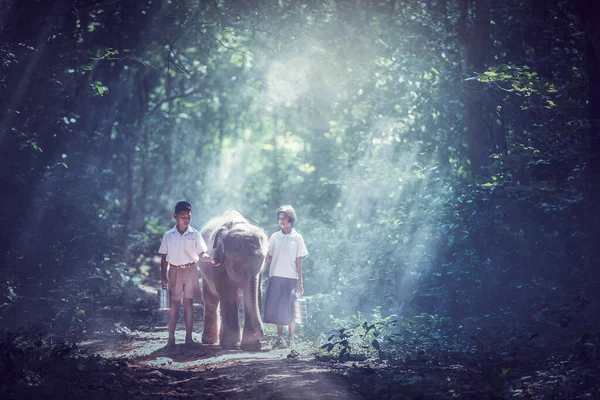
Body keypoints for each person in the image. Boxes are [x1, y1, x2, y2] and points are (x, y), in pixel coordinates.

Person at [158, 201, 215, 349]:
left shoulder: (195, 234)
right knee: (174, 306)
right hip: (175, 271)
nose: (186, 219)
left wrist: (209, 258)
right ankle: (171, 338)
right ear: (175, 216)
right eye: (183, 216)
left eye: (188, 216)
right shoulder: (168, 236)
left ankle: (189, 338)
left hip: (190, 270)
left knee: (188, 305)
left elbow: (202, 253)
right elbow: (164, 258)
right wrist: (163, 276)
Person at [263, 205, 309, 347]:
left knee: (290, 308)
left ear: (290, 219)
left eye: (284, 218)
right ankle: (279, 338)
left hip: (291, 278)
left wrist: (299, 282)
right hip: (276, 276)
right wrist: (262, 253)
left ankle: (291, 339)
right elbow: (268, 257)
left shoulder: (297, 238)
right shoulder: (275, 237)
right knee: (277, 308)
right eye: (279, 218)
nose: (281, 221)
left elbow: (299, 261)